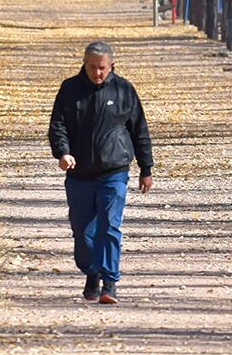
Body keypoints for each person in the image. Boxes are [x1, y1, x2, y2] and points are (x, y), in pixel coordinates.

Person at [48, 41, 153, 304]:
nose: (97, 73)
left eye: (102, 68)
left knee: (109, 226)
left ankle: (109, 283)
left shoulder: (124, 90)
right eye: (92, 67)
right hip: (78, 174)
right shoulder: (70, 90)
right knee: (83, 231)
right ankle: (91, 273)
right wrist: (63, 153)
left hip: (114, 171)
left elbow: (140, 130)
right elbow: (57, 125)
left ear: (112, 66)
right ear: (84, 64)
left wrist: (145, 168)